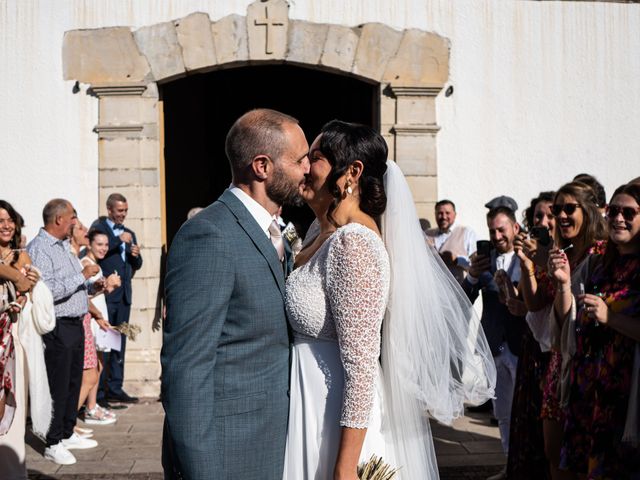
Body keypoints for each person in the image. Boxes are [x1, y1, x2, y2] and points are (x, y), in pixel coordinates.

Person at [283, 120, 495, 479]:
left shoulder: (355, 245)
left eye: (314, 158)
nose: (304, 167)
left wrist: (345, 468)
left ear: (352, 172)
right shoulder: (322, 230)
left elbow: (361, 367)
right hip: (309, 403)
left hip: (332, 418)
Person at [161, 108, 310, 479]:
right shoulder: (209, 235)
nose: (308, 168)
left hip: (277, 440)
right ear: (262, 166)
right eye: (300, 160)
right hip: (230, 450)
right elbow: (186, 368)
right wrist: (203, 470)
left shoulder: (280, 231)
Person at [548, 182, 640, 479]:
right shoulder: (598, 263)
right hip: (588, 388)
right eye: (613, 210)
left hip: (624, 396)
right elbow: (565, 321)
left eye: (629, 212)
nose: (618, 218)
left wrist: (609, 317)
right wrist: (563, 284)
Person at [27, 199, 99, 465]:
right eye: (72, 219)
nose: (74, 224)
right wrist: (82, 275)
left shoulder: (63, 248)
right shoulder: (40, 248)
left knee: (71, 383)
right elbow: (48, 291)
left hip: (75, 323)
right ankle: (52, 441)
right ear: (58, 220)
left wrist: (94, 287)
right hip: (58, 326)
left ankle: (66, 432)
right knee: (58, 386)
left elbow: (71, 288)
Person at [462, 197, 528, 480]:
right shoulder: (484, 262)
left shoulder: (528, 258)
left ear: (515, 227)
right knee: (502, 412)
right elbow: (464, 299)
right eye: (492, 232)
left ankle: (527, 466)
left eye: (501, 230)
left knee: (523, 411)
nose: (497, 236)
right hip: (494, 346)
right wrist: (473, 278)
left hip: (523, 345)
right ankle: (508, 464)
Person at [507, 191, 556, 480]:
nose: (544, 220)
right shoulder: (529, 255)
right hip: (532, 343)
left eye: (550, 215)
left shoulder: (564, 252)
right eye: (539, 215)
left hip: (554, 345)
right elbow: (531, 302)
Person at [0, 200, 42, 480]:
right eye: (0, 220)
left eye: (9, 219)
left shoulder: (21, 256)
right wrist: (16, 276)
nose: (5, 225)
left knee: (8, 397)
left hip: (8, 334)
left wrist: (24, 296)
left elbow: (28, 289)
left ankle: (9, 469)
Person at [91, 193, 142, 405]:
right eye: (120, 211)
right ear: (110, 209)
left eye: (125, 211)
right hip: (106, 295)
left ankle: (115, 387)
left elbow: (137, 266)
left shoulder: (130, 233)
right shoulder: (99, 227)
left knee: (119, 341)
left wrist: (135, 255)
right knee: (104, 342)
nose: (123, 215)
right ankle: (100, 393)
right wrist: (116, 241)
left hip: (124, 296)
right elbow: (98, 250)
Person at [80, 229, 120, 424]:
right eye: (99, 244)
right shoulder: (85, 265)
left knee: (100, 364)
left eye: (106, 244)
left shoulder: (96, 265)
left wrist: (109, 287)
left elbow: (97, 294)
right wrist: (106, 286)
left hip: (100, 317)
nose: (104, 248)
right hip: (92, 320)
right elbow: (82, 297)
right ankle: (90, 408)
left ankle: (92, 405)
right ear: (90, 244)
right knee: (93, 366)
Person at [425, 199, 477, 282]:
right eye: (440, 213)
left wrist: (457, 260)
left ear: (455, 215)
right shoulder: (427, 234)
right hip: (433, 288)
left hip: (458, 289)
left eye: (447, 213)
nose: (443, 217)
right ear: (435, 215)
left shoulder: (467, 232)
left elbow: (475, 264)